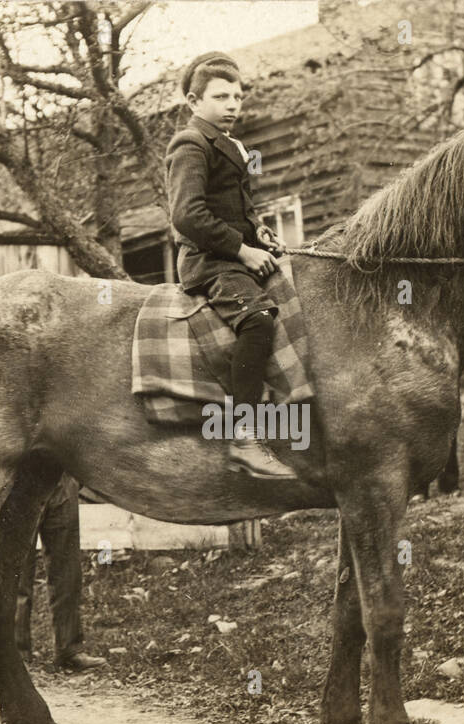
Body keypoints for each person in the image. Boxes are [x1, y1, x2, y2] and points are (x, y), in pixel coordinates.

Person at [165, 51, 297, 480]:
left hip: (235, 257)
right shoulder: (190, 143)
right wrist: (243, 252)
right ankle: (244, 436)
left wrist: (259, 233)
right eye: (221, 96)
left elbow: (241, 209)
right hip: (209, 262)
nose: (233, 105)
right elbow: (187, 215)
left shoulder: (234, 147)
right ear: (193, 100)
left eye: (238, 96)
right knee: (257, 320)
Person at [14, 474, 106, 671]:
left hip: (62, 479)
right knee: (17, 574)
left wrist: (74, 478)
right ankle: (15, 653)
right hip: (22, 480)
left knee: (67, 571)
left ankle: (69, 649)